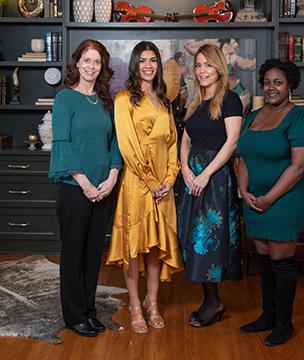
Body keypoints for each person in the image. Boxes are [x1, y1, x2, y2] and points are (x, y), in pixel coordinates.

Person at [237, 58, 304, 346]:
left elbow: (299, 165)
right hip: (254, 199)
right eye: (267, 82)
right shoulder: (252, 116)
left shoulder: (298, 118)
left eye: (278, 82)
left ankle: (284, 324)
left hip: (283, 199)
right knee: (264, 258)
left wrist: (270, 197)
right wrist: (244, 191)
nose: (271, 87)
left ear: (290, 86)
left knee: (281, 261)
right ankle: (267, 316)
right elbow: (243, 155)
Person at [106, 41, 183, 334]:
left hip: (163, 186)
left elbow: (174, 142)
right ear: (135, 65)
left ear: (158, 65)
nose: (148, 65)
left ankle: (153, 302)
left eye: (153, 60)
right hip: (138, 185)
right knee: (135, 247)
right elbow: (127, 145)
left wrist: (169, 180)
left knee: (155, 248)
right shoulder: (124, 98)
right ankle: (136, 306)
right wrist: (152, 183)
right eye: (143, 60)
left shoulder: (164, 100)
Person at [49, 39, 122, 337]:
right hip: (74, 188)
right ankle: (74, 315)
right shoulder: (65, 98)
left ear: (102, 66)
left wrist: (113, 175)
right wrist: (85, 183)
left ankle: (89, 310)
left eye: (97, 62)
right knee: (74, 252)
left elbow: (116, 142)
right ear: (77, 63)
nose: (91, 67)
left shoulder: (107, 100)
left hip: (104, 188)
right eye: (87, 60)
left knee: (94, 253)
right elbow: (62, 144)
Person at [177, 44, 243, 327]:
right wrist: (184, 169)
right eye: (198, 65)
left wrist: (205, 175)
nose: (202, 70)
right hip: (193, 178)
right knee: (193, 241)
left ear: (219, 68)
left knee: (209, 243)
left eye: (208, 65)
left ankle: (213, 302)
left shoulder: (230, 100)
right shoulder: (193, 102)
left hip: (214, 180)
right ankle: (211, 300)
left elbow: (231, 143)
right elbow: (185, 141)